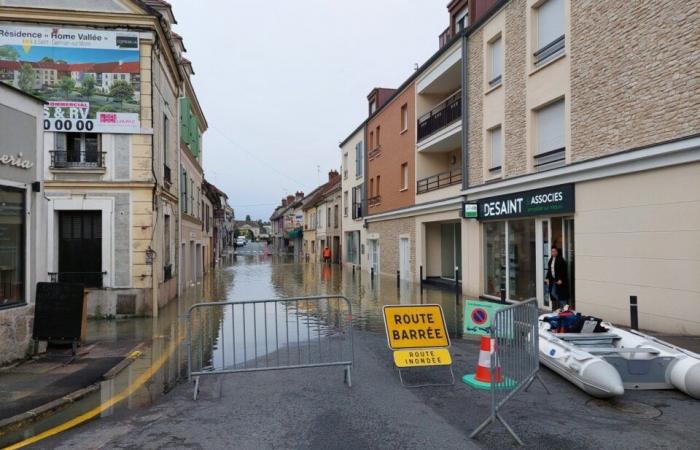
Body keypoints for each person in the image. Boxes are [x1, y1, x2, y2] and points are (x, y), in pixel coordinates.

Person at [545, 246, 569, 310]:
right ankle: (563, 306)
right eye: (552, 251)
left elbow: (563, 271)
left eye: (554, 251)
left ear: (557, 252)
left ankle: (565, 307)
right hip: (553, 280)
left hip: (559, 280)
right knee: (553, 293)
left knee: (561, 294)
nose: (553, 253)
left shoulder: (561, 260)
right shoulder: (551, 259)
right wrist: (547, 278)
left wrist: (561, 279)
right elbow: (549, 270)